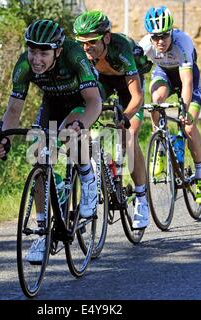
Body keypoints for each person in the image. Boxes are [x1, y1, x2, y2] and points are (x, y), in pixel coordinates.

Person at [0, 19, 102, 263]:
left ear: (58, 51)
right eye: (32, 51)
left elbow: (94, 102)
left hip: (82, 100)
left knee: (70, 131)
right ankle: (42, 231)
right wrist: (3, 139)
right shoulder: (23, 65)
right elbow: (13, 110)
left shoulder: (74, 55)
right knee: (39, 157)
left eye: (44, 53)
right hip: (52, 103)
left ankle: (87, 177)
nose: (36, 59)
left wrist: (82, 125)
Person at [73, 10, 153, 229]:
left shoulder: (121, 49)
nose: (85, 48)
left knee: (128, 137)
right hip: (104, 83)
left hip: (128, 83)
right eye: (81, 43)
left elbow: (137, 97)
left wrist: (125, 117)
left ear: (106, 37)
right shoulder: (83, 55)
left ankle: (141, 198)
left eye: (91, 42)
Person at [139, 6, 201, 204]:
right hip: (163, 74)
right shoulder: (145, 44)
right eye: (155, 37)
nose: (159, 42)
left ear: (171, 32)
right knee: (156, 101)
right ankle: (161, 143)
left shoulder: (182, 42)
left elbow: (186, 83)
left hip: (186, 77)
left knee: (188, 127)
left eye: (163, 36)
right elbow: (133, 71)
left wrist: (184, 110)